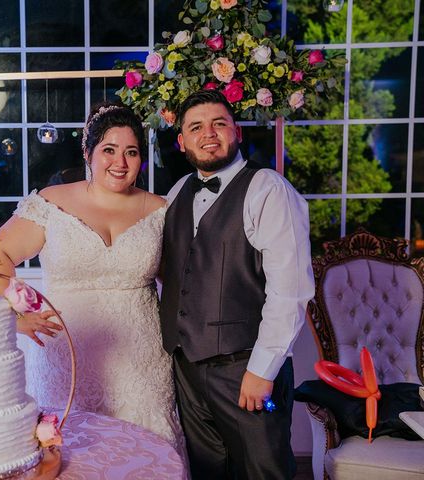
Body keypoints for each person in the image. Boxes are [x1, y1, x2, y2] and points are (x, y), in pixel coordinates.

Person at [0, 103, 185, 453]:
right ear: (88, 152)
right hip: (67, 358)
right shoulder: (51, 204)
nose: (120, 163)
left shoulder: (160, 209)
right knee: (72, 458)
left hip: (142, 364)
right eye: (109, 150)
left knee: (145, 457)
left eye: (131, 152)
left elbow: (182, 282)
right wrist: (14, 312)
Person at [160, 90, 314, 479]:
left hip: (245, 366)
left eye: (219, 124)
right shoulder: (177, 192)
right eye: (196, 127)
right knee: (208, 470)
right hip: (187, 366)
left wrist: (262, 371)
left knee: (263, 470)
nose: (208, 134)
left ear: (237, 132)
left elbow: (290, 290)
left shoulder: (269, 189)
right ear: (181, 142)